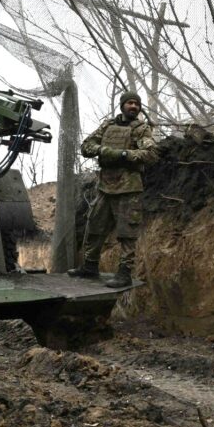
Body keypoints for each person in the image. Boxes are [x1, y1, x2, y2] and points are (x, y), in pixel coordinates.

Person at [67, 92, 158, 288]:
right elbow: (86, 146)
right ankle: (90, 267)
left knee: (127, 233)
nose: (133, 106)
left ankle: (124, 274)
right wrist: (101, 150)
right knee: (94, 227)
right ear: (122, 105)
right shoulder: (108, 126)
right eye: (130, 103)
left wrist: (124, 154)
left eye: (136, 104)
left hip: (128, 188)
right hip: (105, 186)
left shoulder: (141, 129)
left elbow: (151, 154)